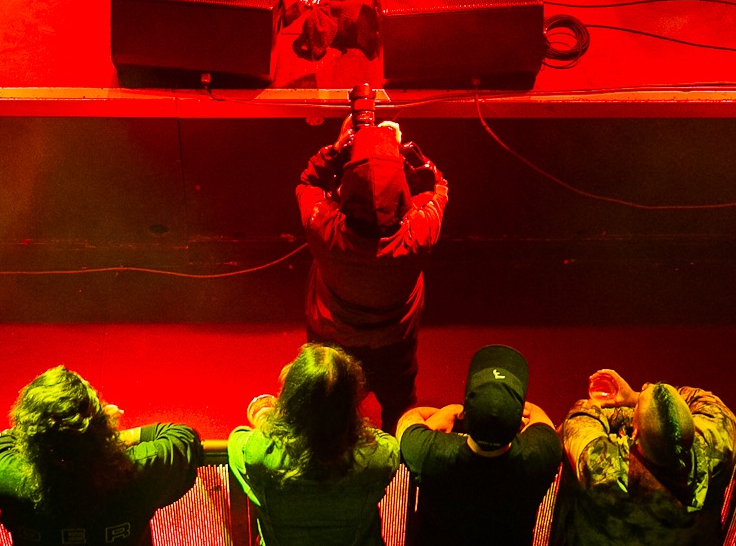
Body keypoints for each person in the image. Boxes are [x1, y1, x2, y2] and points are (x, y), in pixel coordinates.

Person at [296, 118, 448, 427]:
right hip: (395, 342)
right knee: (399, 406)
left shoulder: (322, 227)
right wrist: (404, 150)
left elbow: (309, 183)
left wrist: (338, 148)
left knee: (330, 405)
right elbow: (436, 185)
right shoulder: (420, 232)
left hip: (332, 337)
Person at [0, 366, 198, 546]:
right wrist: (109, 434)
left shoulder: (5, 475)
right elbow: (184, 437)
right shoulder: (139, 468)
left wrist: (55, 429)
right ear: (100, 427)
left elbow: (1, 441)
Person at [227, 344, 401, 546]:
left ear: (291, 398)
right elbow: (385, 441)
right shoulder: (376, 458)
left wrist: (267, 419)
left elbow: (237, 439)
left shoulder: (258, 453)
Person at [396, 343, 561, 546]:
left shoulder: (429, 453)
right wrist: (510, 407)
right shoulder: (541, 455)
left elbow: (407, 421)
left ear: (466, 413)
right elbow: (540, 419)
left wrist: (450, 411)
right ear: (518, 421)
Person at [552, 367, 736, 546]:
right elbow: (703, 399)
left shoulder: (601, 465)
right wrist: (635, 398)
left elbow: (579, 418)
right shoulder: (719, 442)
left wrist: (630, 406)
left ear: (635, 434)